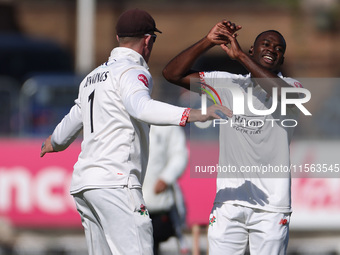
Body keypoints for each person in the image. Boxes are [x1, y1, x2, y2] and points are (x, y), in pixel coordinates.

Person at [40, 9, 232, 255]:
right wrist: (194, 114)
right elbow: (140, 107)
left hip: (84, 185)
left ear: (118, 38)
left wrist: (54, 142)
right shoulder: (133, 70)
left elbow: (74, 117)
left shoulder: (92, 77)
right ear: (148, 39)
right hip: (116, 183)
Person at [162, 20, 303, 255]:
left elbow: (280, 92)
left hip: (272, 207)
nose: (272, 50)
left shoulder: (291, 87)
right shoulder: (226, 83)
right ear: (252, 50)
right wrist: (208, 41)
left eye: (279, 49)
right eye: (266, 44)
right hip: (229, 201)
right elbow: (171, 73)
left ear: (282, 60)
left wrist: (239, 57)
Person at [143, 125, 189, 255]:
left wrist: (166, 178)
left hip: (158, 204)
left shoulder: (167, 122)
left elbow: (179, 155)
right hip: (128, 199)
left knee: (154, 242)